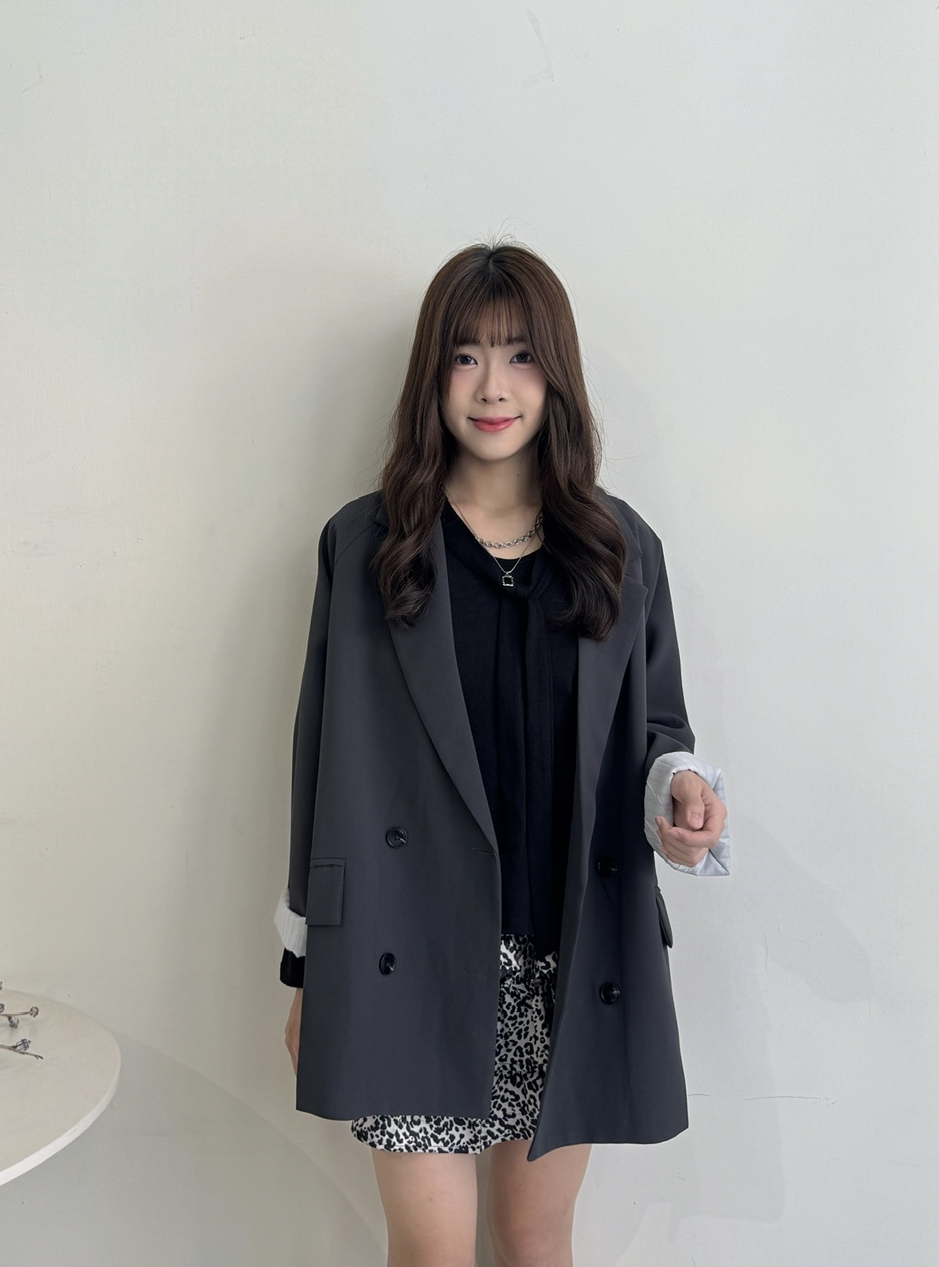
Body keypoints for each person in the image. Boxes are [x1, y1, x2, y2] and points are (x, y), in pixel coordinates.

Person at [275, 242, 730, 1267]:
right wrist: (308, 968)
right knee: (431, 1249)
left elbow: (658, 731)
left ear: (556, 374)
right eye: (466, 355)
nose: (493, 386)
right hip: (406, 955)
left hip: (562, 956)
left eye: (521, 355)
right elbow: (320, 766)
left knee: (533, 1238)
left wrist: (681, 788)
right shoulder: (369, 545)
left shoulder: (617, 548)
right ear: (432, 374)